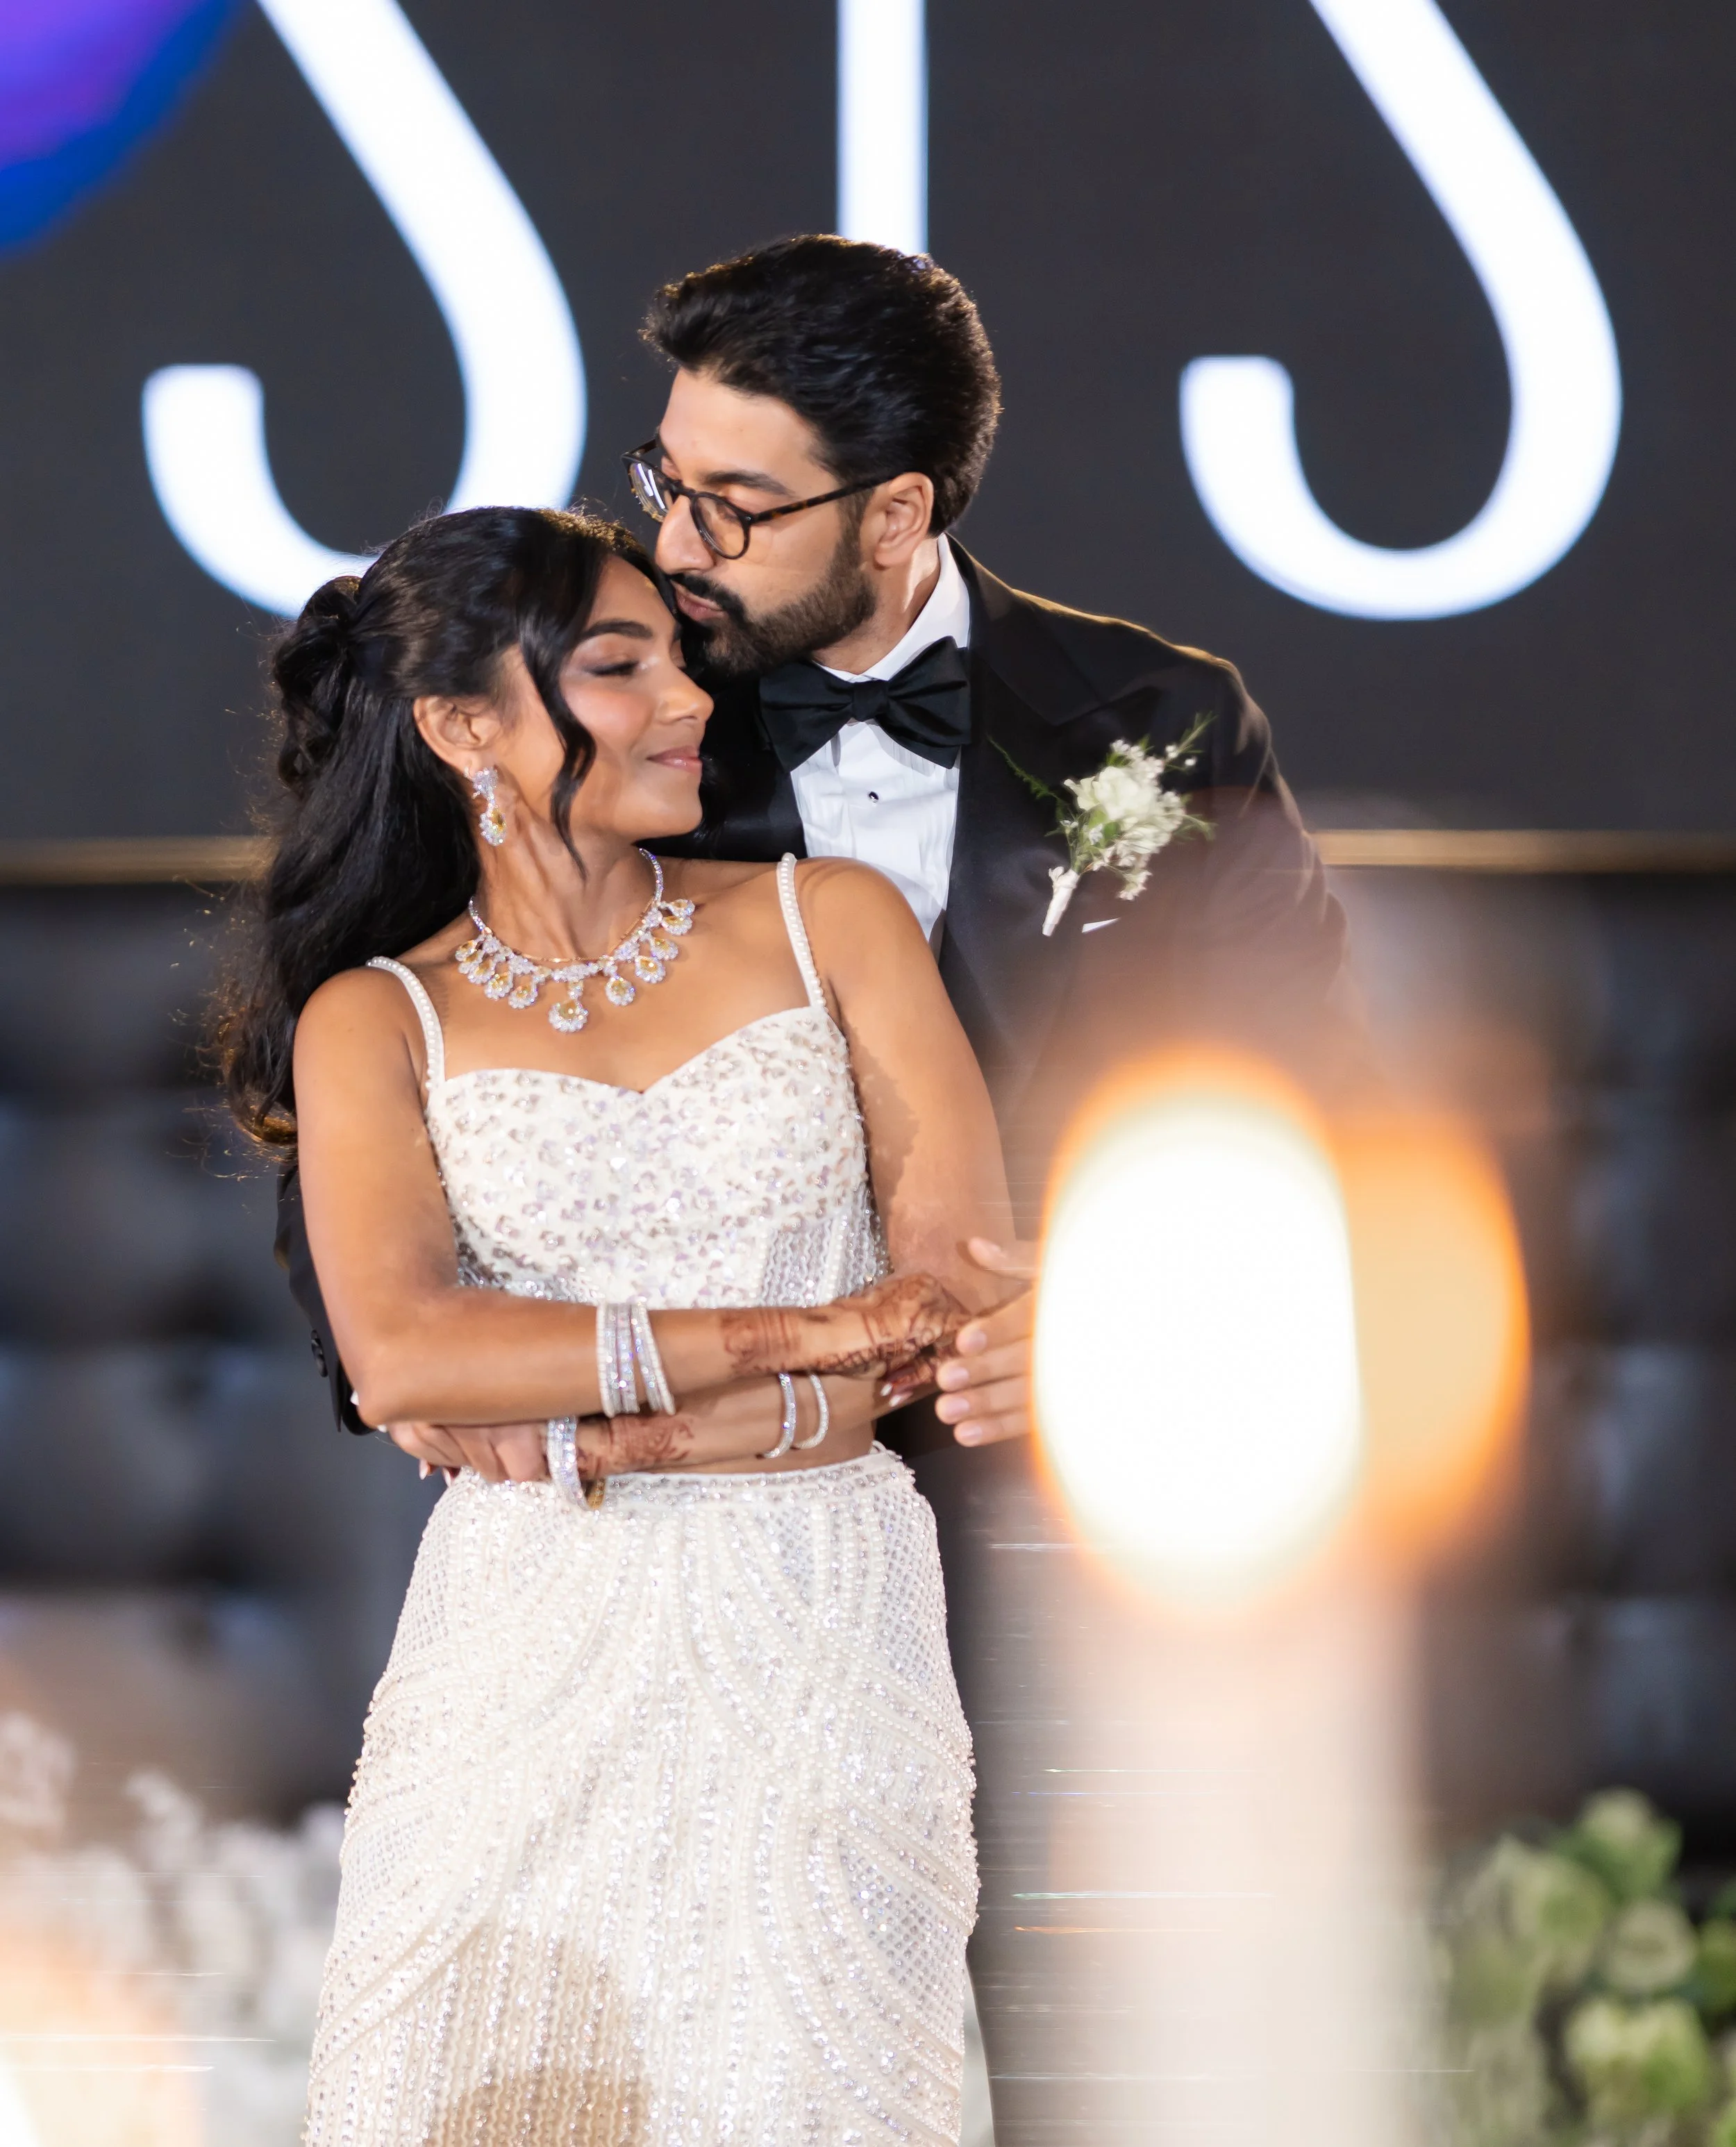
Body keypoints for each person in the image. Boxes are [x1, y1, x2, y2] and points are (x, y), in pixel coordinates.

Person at [274, 238, 1349, 2131]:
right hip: (600, 1546)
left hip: (1056, 1548)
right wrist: (479, 1387)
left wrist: (1105, 1327)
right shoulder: (612, 724)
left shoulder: (1156, 726)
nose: (677, 547)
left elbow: (1289, 1116)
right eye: (661, 482)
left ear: (899, 508)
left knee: (1085, 2069)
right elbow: (382, 1165)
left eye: (736, 507)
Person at [226, 504, 1008, 2141]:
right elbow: (407, 1356)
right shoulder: (379, 1017)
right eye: (615, 665)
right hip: (526, 1644)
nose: (688, 699)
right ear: (460, 729)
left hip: (818, 1617)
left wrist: (598, 1369)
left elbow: (942, 1294)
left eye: (679, 657)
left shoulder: (831, 922)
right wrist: (803, 1338)